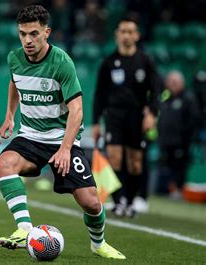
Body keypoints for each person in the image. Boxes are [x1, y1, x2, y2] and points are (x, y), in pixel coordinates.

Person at [0, 5, 125, 259]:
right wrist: (9, 115)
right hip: (29, 136)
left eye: (33, 33)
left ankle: (98, 244)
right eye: (22, 34)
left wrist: (66, 148)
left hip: (61, 139)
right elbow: (14, 82)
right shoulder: (14, 58)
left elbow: (77, 110)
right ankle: (24, 229)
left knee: (91, 202)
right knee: (4, 163)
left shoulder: (62, 62)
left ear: (47, 32)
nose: (27, 40)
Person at [92, 18, 160, 218]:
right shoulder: (108, 62)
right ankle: (118, 201)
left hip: (136, 116)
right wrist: (96, 122)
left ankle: (130, 201)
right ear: (117, 35)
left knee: (135, 162)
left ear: (137, 35)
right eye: (123, 31)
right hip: (113, 115)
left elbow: (156, 91)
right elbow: (99, 95)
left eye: (131, 32)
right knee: (114, 159)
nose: (127, 35)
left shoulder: (145, 61)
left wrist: (152, 114)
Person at [157, 71, 200, 199]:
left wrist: (186, 139)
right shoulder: (166, 98)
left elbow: (193, 120)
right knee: (166, 167)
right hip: (166, 142)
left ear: (182, 83)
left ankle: (178, 191)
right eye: (170, 82)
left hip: (181, 142)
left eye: (175, 82)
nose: (172, 85)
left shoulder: (188, 98)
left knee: (179, 168)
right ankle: (168, 191)